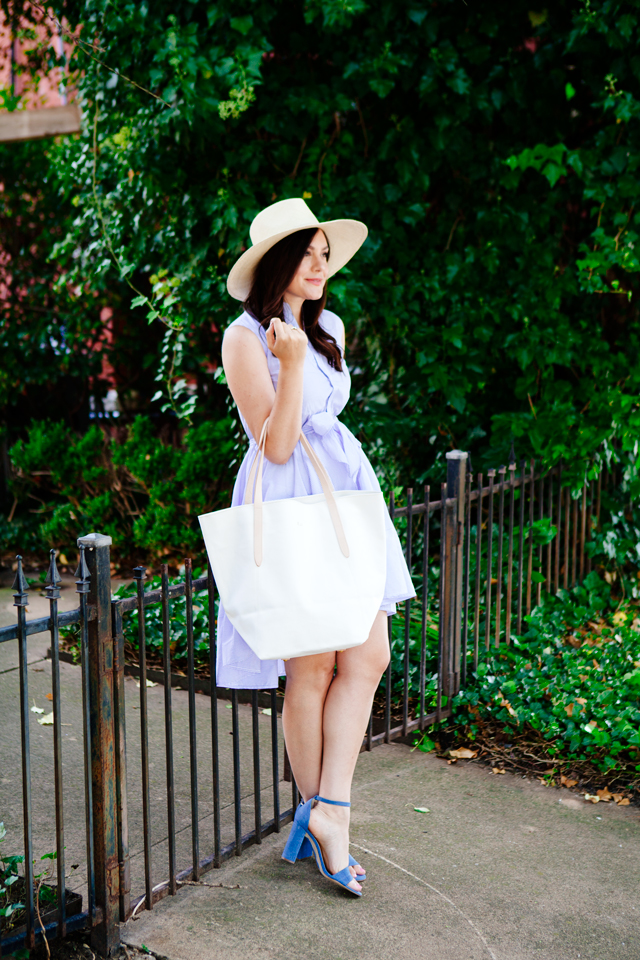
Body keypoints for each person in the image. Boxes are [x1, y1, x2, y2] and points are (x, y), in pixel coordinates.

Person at [218, 198, 414, 895]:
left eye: (324, 252)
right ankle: (326, 814)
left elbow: (329, 423)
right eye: (306, 253)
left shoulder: (327, 324)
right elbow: (272, 447)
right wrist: (290, 364)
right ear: (277, 263)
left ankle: (327, 808)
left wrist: (307, 348)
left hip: (343, 495)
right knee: (313, 669)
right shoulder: (244, 338)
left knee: (369, 653)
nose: (319, 264)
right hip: (291, 498)